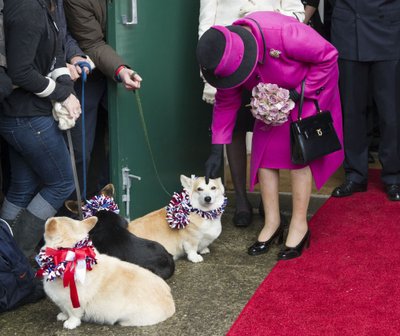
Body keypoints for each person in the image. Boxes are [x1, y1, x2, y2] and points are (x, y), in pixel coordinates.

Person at [197, 11, 343, 260]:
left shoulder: (285, 34)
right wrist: (216, 148)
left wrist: (297, 94)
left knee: (299, 155)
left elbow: (328, 56)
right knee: (265, 156)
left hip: (306, 91)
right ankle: (272, 223)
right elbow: (226, 101)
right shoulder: (227, 51)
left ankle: (299, 224)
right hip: (269, 100)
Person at [198, 0, 305, 227]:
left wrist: (263, 18)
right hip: (229, 64)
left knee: (267, 130)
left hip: (268, 61)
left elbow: (297, 15)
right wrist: (208, 74)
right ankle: (242, 201)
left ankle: (270, 205)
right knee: (234, 129)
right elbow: (206, 26)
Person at [0, 0, 81, 257]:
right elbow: (21, 73)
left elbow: (55, 55)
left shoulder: (45, 5)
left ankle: (6, 258)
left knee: (22, 186)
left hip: (22, 115)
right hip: (26, 118)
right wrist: (60, 93)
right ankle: (17, 256)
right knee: (62, 183)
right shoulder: (27, 8)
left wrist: (66, 88)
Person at [63, 0, 142, 201]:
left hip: (123, 66)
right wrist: (120, 69)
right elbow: (92, 43)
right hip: (87, 75)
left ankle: (106, 199)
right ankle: (76, 209)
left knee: (123, 141)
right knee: (83, 150)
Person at [330, 0, 400, 201]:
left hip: (389, 28)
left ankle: (393, 177)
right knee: (352, 110)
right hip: (348, 28)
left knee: (391, 112)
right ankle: (355, 175)